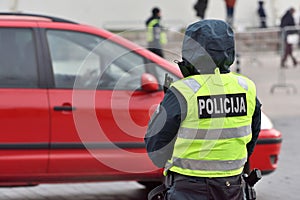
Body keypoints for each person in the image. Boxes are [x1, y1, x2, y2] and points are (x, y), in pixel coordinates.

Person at [145, 19, 261, 200]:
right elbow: (252, 138)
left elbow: (155, 146)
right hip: (233, 188)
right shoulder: (246, 87)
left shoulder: (182, 91)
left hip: (189, 189)